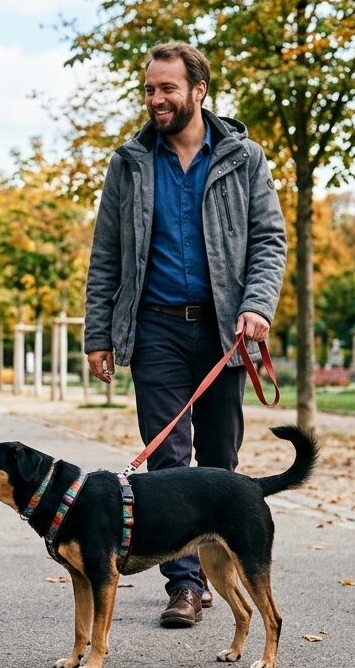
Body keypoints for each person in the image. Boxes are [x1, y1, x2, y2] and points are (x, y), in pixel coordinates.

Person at [83, 42, 286, 629]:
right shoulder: (130, 163)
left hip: (225, 331)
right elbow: (106, 256)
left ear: (199, 90)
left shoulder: (243, 157)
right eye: (149, 89)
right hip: (156, 330)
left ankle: (226, 567)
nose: (156, 99)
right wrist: (101, 332)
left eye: (167, 88)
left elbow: (268, 241)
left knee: (220, 462)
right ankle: (186, 584)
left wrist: (257, 308)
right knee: (167, 463)